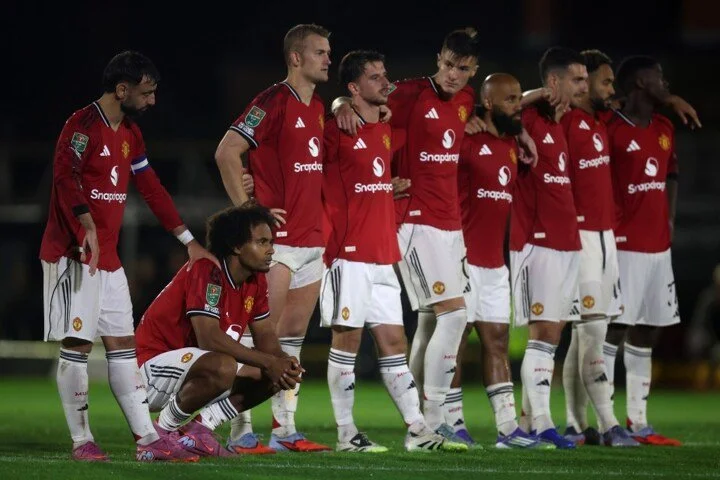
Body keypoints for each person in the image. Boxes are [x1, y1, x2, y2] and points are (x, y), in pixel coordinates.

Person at [39, 50, 216, 462]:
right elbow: (65, 178)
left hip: (109, 260)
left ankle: (147, 439)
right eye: (146, 92)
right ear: (122, 89)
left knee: (122, 347)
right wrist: (85, 224)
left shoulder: (131, 134)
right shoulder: (81, 125)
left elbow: (151, 187)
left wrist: (188, 239)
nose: (152, 100)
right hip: (73, 255)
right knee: (77, 347)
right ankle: (82, 441)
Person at [321, 50, 466, 453]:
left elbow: (366, 179)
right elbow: (302, 170)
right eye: (375, 77)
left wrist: (389, 187)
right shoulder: (333, 130)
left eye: (385, 75)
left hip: (383, 253)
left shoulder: (385, 128)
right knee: (346, 344)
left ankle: (418, 431)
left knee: (394, 344)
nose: (386, 82)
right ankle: (346, 434)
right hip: (348, 253)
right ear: (353, 88)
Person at [214, 23, 332, 453]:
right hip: (277, 244)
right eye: (320, 52)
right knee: (256, 337)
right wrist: (248, 213)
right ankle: (239, 430)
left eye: (328, 52)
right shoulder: (272, 101)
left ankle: (284, 429)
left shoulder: (318, 106)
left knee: (292, 338)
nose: (328, 59)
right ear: (296, 57)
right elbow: (226, 151)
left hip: (312, 242)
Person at [135, 206, 304, 458]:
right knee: (224, 365)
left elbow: (265, 335)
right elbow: (209, 338)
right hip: (148, 372)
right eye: (262, 242)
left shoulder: (255, 279)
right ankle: (159, 434)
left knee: (272, 374)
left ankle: (199, 432)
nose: (271, 250)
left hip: (192, 368)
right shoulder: (207, 269)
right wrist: (270, 361)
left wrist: (283, 362)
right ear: (236, 246)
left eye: (271, 242)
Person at [448, 73, 543, 449]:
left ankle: (507, 429)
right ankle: (452, 424)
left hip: (494, 265)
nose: (518, 106)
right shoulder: (465, 140)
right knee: (455, 343)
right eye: (510, 100)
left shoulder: (510, 145)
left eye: (520, 98)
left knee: (498, 342)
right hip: (462, 261)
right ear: (487, 103)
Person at [557, 50, 640, 447]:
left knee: (584, 335)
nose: (611, 89)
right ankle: (608, 424)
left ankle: (576, 425)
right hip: (581, 237)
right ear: (582, 82)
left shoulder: (597, 122)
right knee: (592, 331)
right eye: (605, 82)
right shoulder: (563, 121)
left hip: (605, 236)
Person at [511, 46, 588, 449]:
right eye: (577, 79)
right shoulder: (527, 118)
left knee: (553, 335)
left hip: (567, 243)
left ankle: (529, 422)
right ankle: (542, 422)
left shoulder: (563, 125)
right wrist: (537, 94)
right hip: (536, 242)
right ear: (554, 82)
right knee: (542, 333)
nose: (584, 86)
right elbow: (498, 107)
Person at [603, 56, 682, 446]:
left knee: (648, 328)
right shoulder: (611, 127)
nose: (664, 81)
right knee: (615, 327)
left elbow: (671, 174)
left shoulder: (665, 127)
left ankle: (639, 421)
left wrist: (670, 219)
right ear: (638, 82)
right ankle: (603, 417)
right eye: (657, 76)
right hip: (624, 244)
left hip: (658, 247)